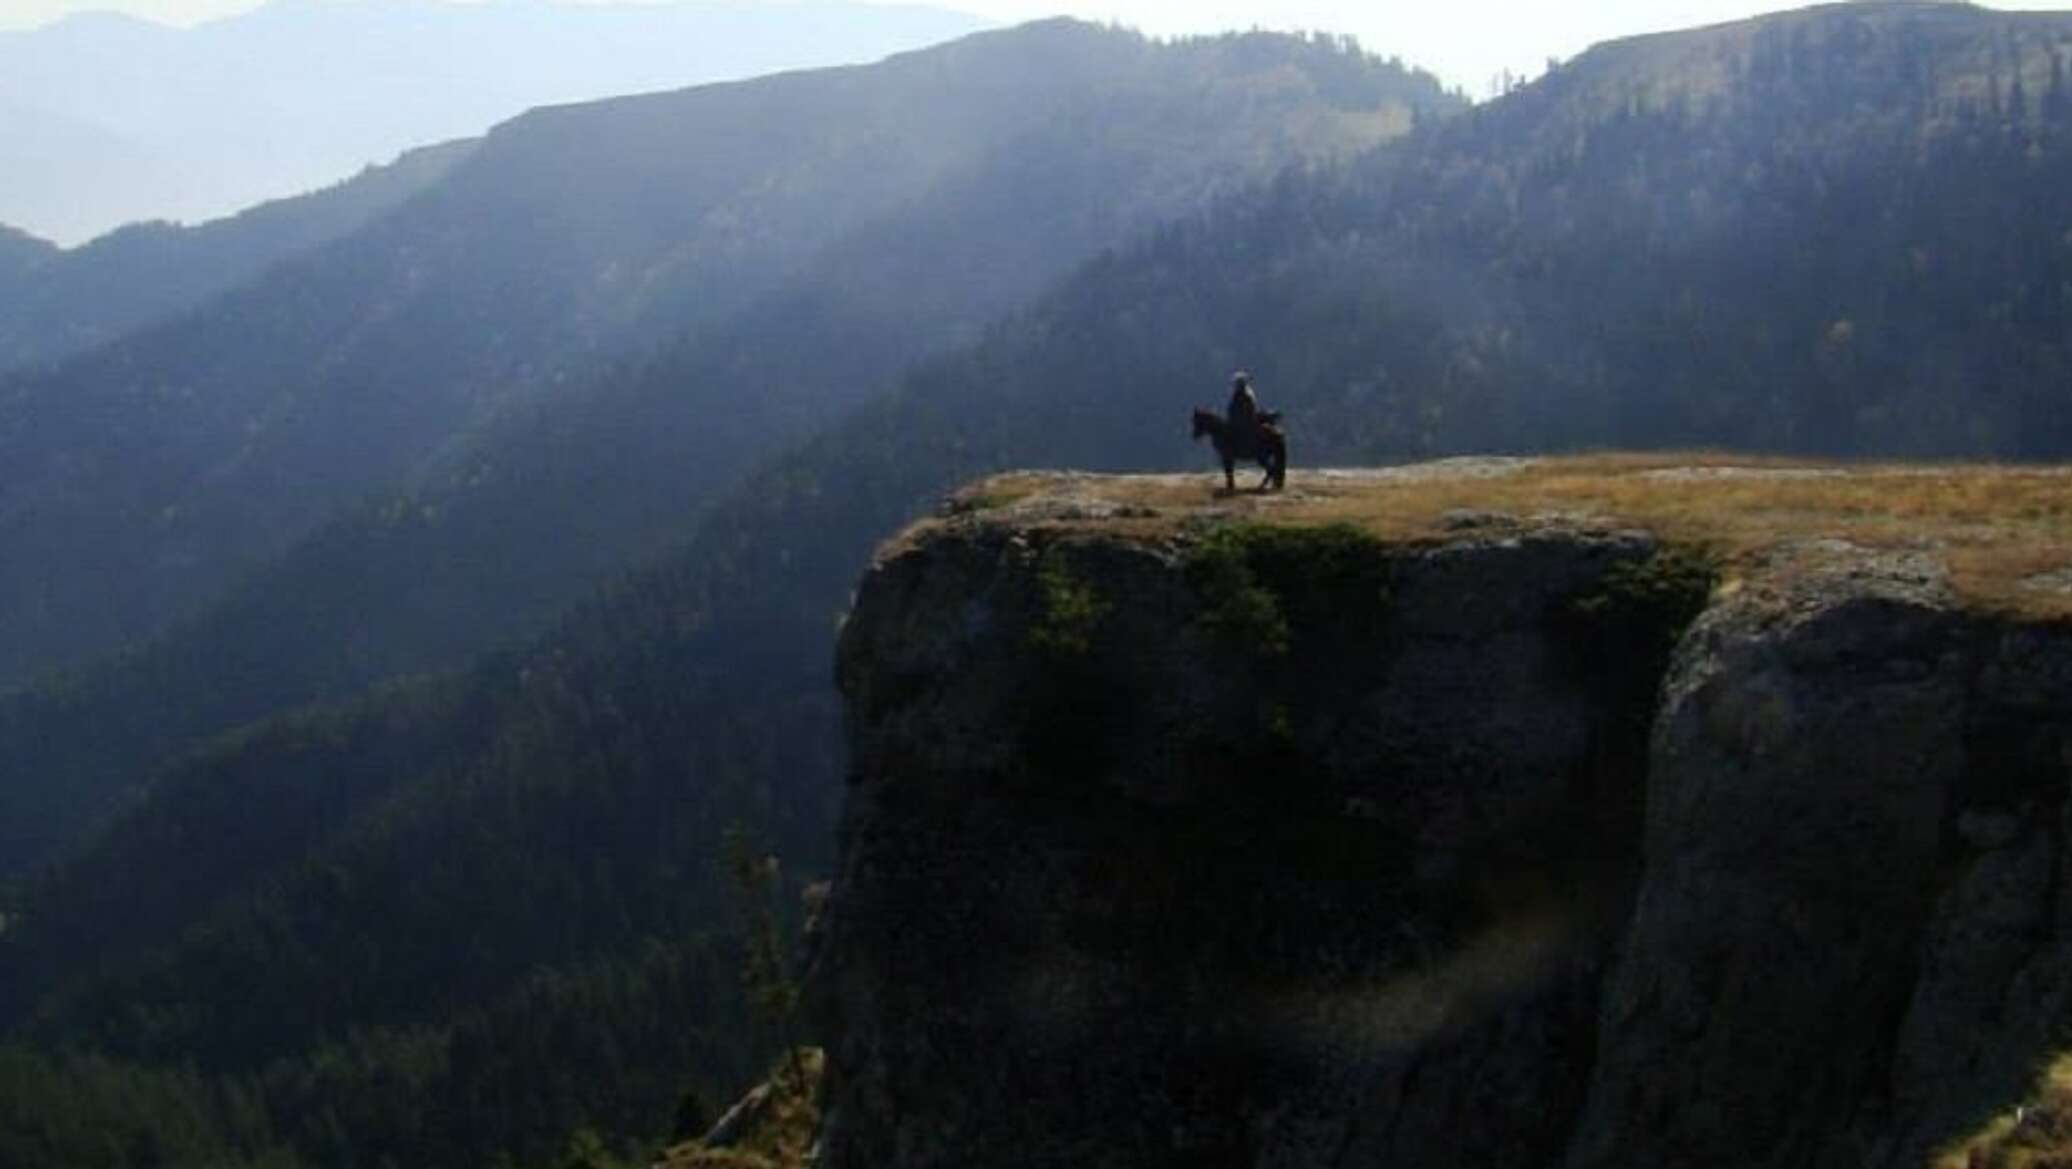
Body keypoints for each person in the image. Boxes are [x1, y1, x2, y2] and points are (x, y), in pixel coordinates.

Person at [1227, 371, 1262, 455]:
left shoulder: (1244, 394)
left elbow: (1245, 409)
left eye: (1237, 383)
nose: (1236, 385)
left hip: (1245, 420)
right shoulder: (1243, 393)